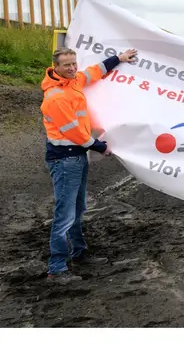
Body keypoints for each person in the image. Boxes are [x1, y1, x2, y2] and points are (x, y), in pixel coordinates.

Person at [41, 46, 138, 283]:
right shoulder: (56, 96)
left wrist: (119, 58)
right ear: (56, 68)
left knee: (77, 208)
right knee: (64, 213)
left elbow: (93, 72)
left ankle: (80, 253)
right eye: (67, 65)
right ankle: (56, 267)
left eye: (74, 63)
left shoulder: (73, 82)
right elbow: (72, 131)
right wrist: (99, 146)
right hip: (65, 158)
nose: (73, 68)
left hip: (76, 157)